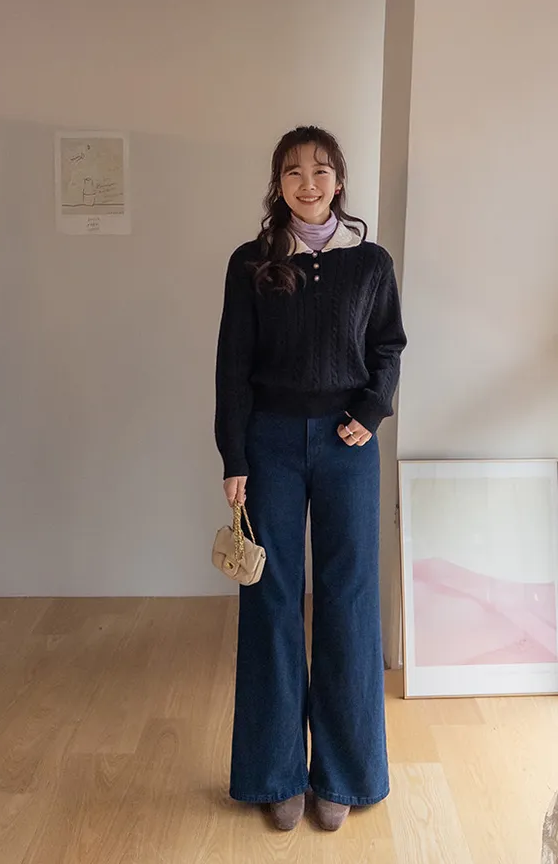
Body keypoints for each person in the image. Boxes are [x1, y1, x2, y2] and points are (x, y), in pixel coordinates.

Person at [214, 126, 407, 832]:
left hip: (346, 445)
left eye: (321, 171)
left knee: (349, 599)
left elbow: (388, 346)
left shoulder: (370, 263)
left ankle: (345, 774)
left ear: (339, 181)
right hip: (269, 445)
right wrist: (233, 455)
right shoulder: (251, 262)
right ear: (278, 183)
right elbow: (232, 364)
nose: (307, 183)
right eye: (293, 172)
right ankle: (275, 773)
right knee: (270, 598)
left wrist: (371, 410)